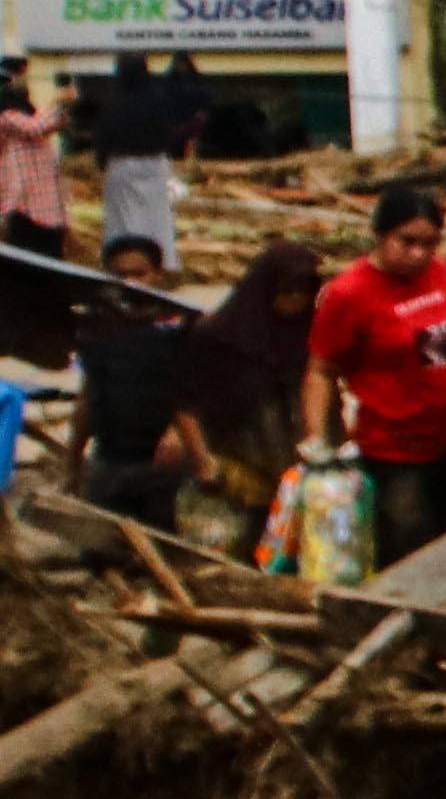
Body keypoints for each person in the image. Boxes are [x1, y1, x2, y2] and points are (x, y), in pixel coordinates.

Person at [306, 182, 446, 566]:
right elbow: (321, 369)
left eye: (429, 244)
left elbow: (435, 340)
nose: (419, 254)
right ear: (380, 234)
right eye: (406, 242)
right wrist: (316, 438)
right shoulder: (350, 294)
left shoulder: (438, 273)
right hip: (398, 449)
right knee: (411, 545)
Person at [175, 237, 323, 545]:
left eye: (305, 292)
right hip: (237, 473)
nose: (296, 300)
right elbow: (184, 401)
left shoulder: (308, 334)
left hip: (296, 473)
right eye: (288, 290)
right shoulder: (218, 337)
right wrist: (203, 463)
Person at [68, 235, 187, 531]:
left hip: (162, 462)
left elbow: (198, 390)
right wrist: (72, 461)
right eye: (121, 275)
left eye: (139, 273)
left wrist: (177, 432)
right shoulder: (98, 328)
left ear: (157, 274)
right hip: (110, 458)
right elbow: (87, 396)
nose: (131, 282)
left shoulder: (178, 326)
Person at [94, 50, 194, 267]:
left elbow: (104, 136)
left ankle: (122, 263)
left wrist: (101, 162)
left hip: (122, 165)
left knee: (123, 219)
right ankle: (161, 263)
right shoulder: (159, 98)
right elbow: (170, 131)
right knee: (156, 216)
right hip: (154, 164)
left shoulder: (113, 101)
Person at [0, 61, 60, 256]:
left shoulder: (23, 107)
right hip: (22, 197)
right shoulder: (5, 111)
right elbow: (34, 127)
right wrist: (58, 104)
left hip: (40, 197)